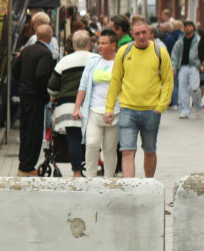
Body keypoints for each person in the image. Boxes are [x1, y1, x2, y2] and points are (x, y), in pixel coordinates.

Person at [105, 16, 173, 178]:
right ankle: (131, 188)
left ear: (149, 32)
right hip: (128, 109)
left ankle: (149, 183)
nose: (141, 36)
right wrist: (109, 108)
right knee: (127, 151)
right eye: (137, 34)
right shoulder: (124, 51)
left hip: (151, 111)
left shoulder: (159, 52)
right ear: (132, 34)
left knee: (150, 150)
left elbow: (168, 82)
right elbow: (115, 82)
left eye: (144, 32)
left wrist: (160, 107)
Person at [73, 29, 121, 179]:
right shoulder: (93, 63)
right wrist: (77, 108)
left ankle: (109, 180)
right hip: (93, 111)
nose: (99, 46)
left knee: (110, 149)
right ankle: (90, 180)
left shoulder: (121, 63)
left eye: (104, 43)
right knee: (92, 144)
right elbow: (83, 87)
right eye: (99, 43)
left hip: (115, 113)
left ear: (113, 45)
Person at [48, 30, 95, 177]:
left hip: (68, 106)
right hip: (92, 106)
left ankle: (76, 172)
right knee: (92, 140)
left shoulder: (65, 61)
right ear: (89, 44)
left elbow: (52, 86)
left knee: (73, 140)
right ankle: (93, 169)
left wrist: (53, 97)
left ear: (73, 44)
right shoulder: (97, 60)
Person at [11, 24, 54, 176]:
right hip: (36, 96)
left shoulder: (26, 50)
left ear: (36, 35)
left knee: (25, 130)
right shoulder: (45, 53)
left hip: (24, 94)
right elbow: (41, 75)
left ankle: (23, 164)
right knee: (34, 132)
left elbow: (14, 69)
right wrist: (45, 92)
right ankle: (28, 167)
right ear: (49, 36)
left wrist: (23, 84)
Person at [171, 20, 201, 119]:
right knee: (182, 89)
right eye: (186, 26)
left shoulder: (198, 40)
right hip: (183, 66)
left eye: (190, 26)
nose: (187, 28)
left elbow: (202, 52)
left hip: (193, 66)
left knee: (194, 88)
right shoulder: (180, 41)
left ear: (193, 28)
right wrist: (174, 67)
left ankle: (197, 104)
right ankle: (184, 110)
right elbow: (174, 55)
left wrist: (199, 64)